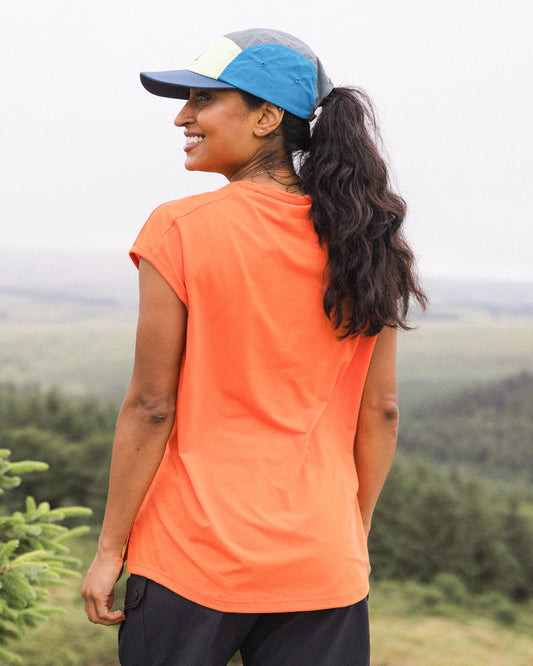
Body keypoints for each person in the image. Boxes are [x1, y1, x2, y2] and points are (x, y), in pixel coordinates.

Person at [81, 28, 426, 665]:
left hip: (191, 554)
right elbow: (381, 411)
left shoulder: (180, 228)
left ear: (267, 117)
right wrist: (350, 533)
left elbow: (152, 407)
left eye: (203, 100)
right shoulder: (363, 239)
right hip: (323, 560)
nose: (183, 117)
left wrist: (109, 552)